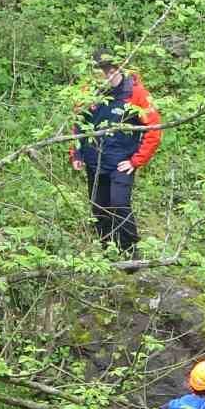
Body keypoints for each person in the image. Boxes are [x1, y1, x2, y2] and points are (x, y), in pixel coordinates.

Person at [69, 50, 162, 258]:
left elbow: (154, 129)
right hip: (94, 160)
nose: (98, 81)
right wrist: (76, 154)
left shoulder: (136, 93)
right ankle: (108, 251)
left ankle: (130, 251)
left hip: (122, 162)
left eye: (101, 76)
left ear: (113, 71)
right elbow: (78, 124)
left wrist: (136, 160)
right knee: (98, 208)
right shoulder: (88, 92)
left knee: (119, 204)